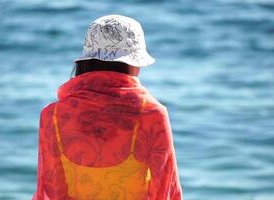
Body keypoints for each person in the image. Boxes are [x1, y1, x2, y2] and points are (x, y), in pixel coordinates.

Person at [32, 14, 183, 200]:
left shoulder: (52, 115)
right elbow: (167, 191)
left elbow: (51, 191)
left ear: (85, 62)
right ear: (132, 63)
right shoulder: (151, 114)